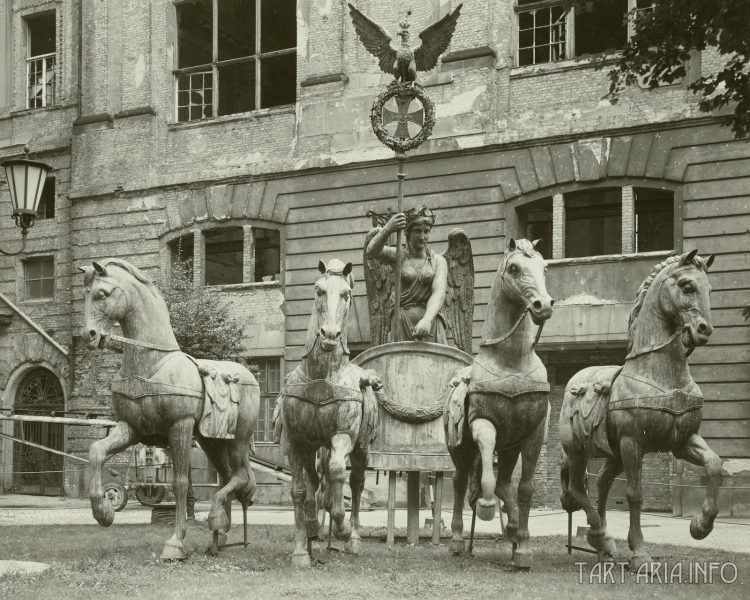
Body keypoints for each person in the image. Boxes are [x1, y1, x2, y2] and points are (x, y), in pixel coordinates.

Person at [366, 206, 448, 344]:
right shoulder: (399, 256)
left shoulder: (438, 261)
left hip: (431, 324)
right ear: (407, 233)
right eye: (417, 231)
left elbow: (439, 293)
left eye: (426, 231)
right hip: (401, 321)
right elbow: (371, 251)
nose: (423, 237)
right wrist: (388, 228)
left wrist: (427, 320)